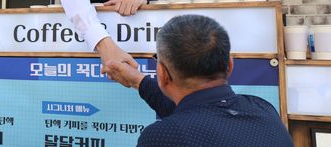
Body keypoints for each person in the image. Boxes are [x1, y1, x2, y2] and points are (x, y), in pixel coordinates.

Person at [106, 14, 294, 147]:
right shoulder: (262, 109)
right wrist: (138, 81)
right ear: (229, 65)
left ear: (162, 73)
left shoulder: (162, 137)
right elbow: (196, 113)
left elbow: (190, 120)